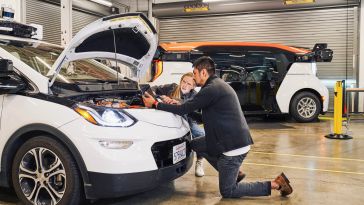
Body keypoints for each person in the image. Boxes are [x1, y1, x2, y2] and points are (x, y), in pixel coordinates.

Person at [143, 56, 293, 198]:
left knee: (228, 191)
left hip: (234, 147)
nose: (194, 78)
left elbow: (184, 110)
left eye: (195, 73)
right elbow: (200, 117)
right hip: (229, 138)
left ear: (203, 72)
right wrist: (180, 105)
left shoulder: (211, 89)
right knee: (195, 144)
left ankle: (276, 184)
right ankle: (236, 173)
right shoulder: (216, 85)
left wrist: (156, 104)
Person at [151, 72, 206, 177]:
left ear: (193, 86)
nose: (185, 85)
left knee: (202, 135)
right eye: (183, 81)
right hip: (168, 120)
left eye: (189, 84)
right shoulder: (172, 87)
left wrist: (176, 102)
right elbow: (152, 89)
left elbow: (192, 112)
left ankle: (199, 162)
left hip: (187, 120)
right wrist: (161, 97)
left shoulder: (195, 96)